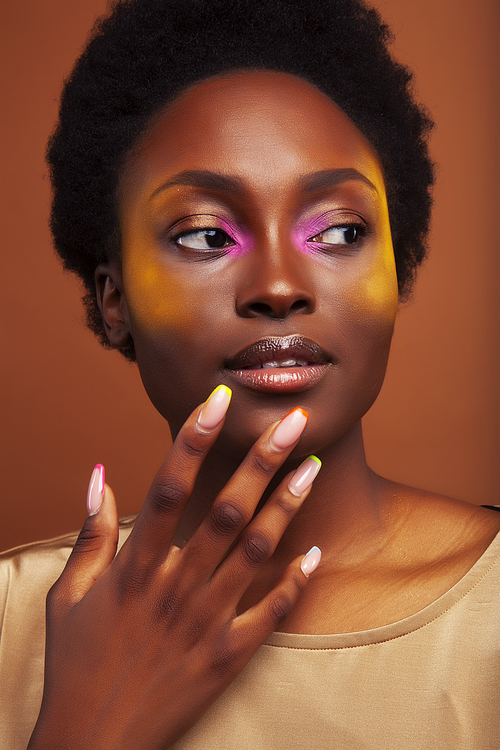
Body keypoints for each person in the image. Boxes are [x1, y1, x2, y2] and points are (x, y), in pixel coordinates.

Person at [1, 0, 499, 748]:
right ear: (115, 301)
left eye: (338, 231)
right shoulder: (15, 617)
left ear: (398, 270)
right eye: (207, 235)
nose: (277, 284)